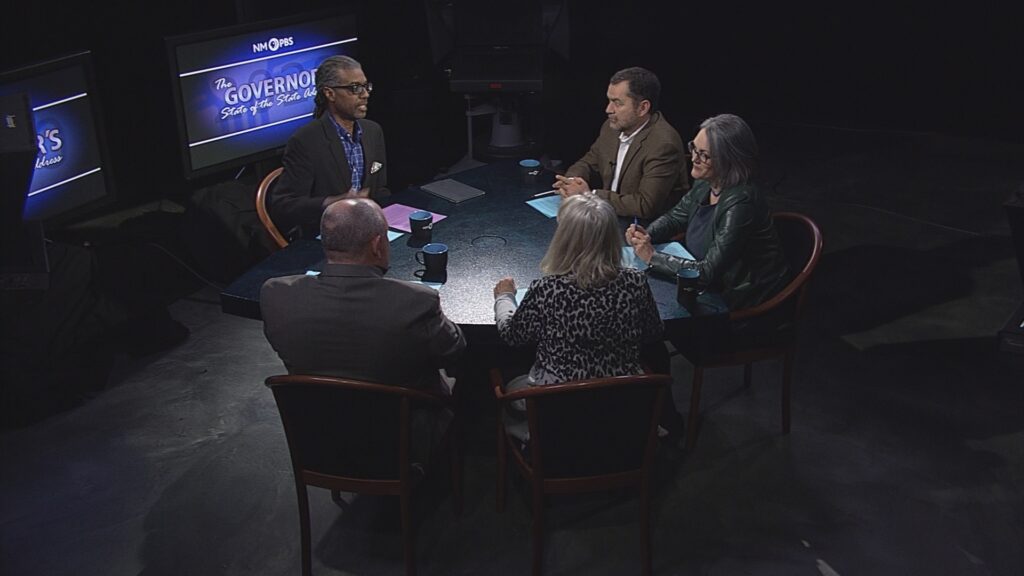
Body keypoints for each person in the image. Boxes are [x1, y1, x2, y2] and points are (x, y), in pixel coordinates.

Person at [492, 194, 664, 439]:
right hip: (624, 406)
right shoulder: (636, 282)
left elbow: (512, 335)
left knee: (504, 375)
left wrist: (504, 298)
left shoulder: (547, 288)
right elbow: (654, 333)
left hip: (557, 408)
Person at [261, 198, 465, 396]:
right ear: (377, 244)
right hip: (401, 422)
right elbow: (453, 353)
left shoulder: (275, 294)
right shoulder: (416, 301)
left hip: (315, 422)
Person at [626, 113, 790, 349]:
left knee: (644, 326)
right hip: (706, 285)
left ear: (729, 161)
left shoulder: (740, 203)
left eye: (704, 155)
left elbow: (706, 273)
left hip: (739, 303)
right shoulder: (706, 182)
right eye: (694, 147)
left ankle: (654, 379)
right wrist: (646, 234)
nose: (694, 158)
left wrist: (652, 257)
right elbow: (676, 216)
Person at [268, 55, 388, 241]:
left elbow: (381, 190)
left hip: (369, 232)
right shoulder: (306, 141)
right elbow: (283, 205)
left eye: (366, 86)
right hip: (327, 238)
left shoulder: (373, 131)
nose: (365, 94)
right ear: (330, 94)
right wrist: (332, 203)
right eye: (355, 88)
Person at [553, 66, 689, 220]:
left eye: (617, 103)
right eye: (609, 101)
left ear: (642, 108)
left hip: (643, 229)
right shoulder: (611, 128)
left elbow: (645, 205)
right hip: (609, 217)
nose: (608, 109)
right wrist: (571, 183)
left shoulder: (664, 144)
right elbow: (588, 162)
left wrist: (589, 195)